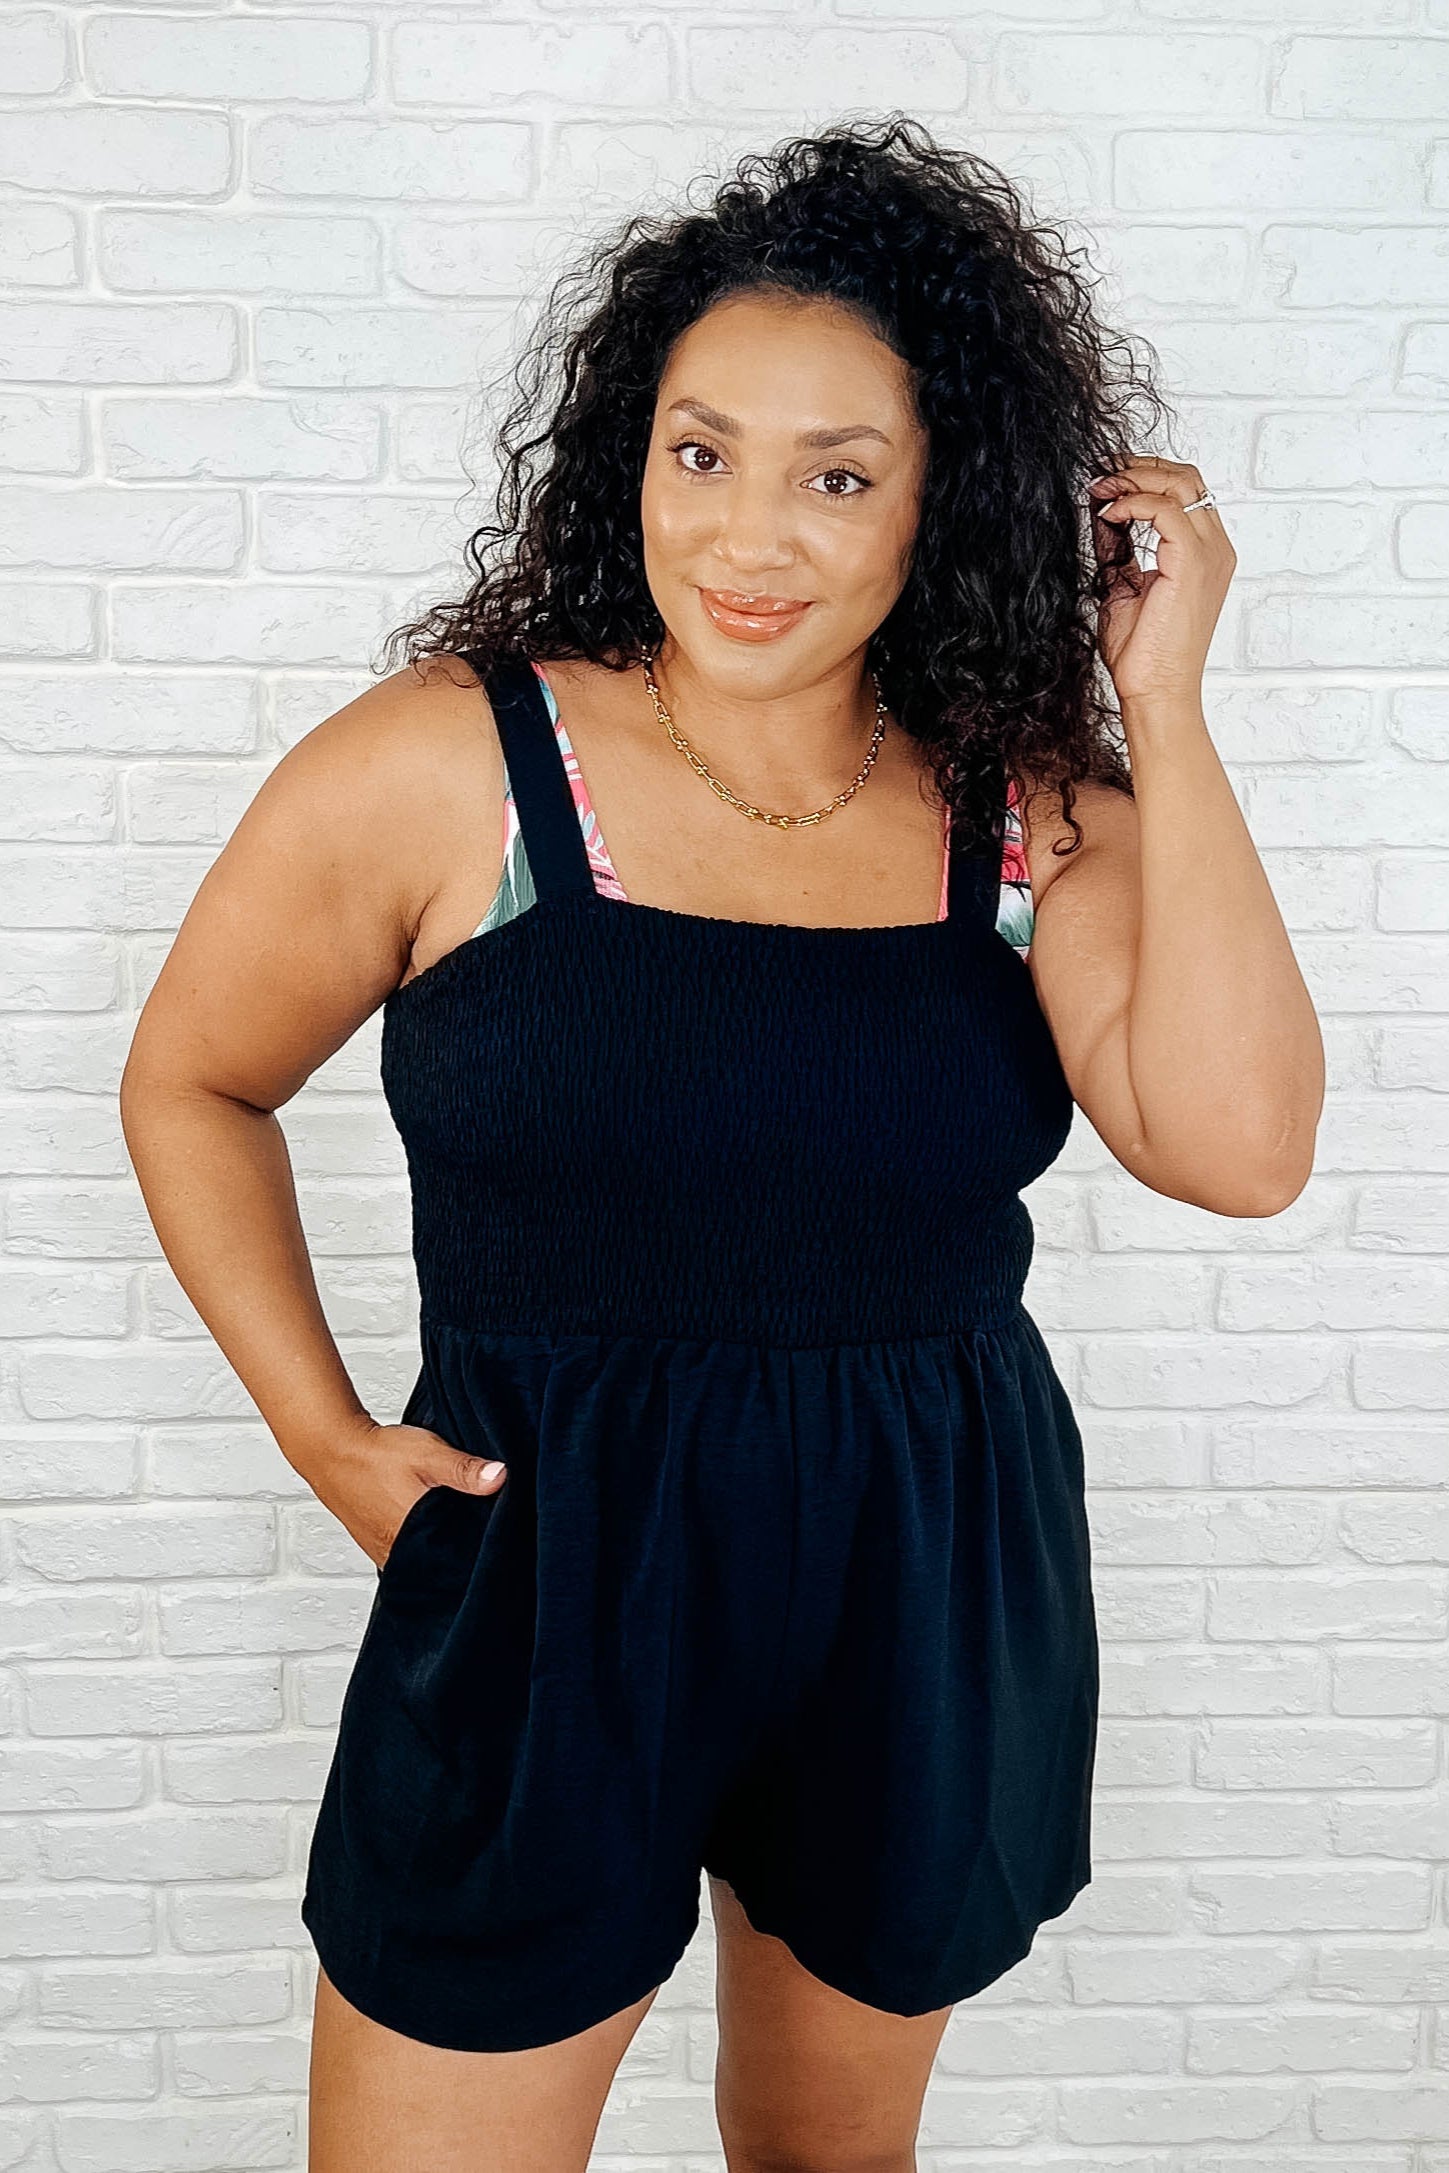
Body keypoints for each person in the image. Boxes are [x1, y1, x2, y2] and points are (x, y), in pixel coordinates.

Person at [120, 117, 1324, 2173]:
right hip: (545, 1567)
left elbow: (1239, 1148)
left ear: (945, 494)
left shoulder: (1029, 816)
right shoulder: (450, 767)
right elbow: (192, 1082)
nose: (747, 535)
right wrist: (321, 1432)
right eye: (701, 454)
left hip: (915, 1576)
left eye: (835, 475)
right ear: (632, 455)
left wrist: (1167, 710)